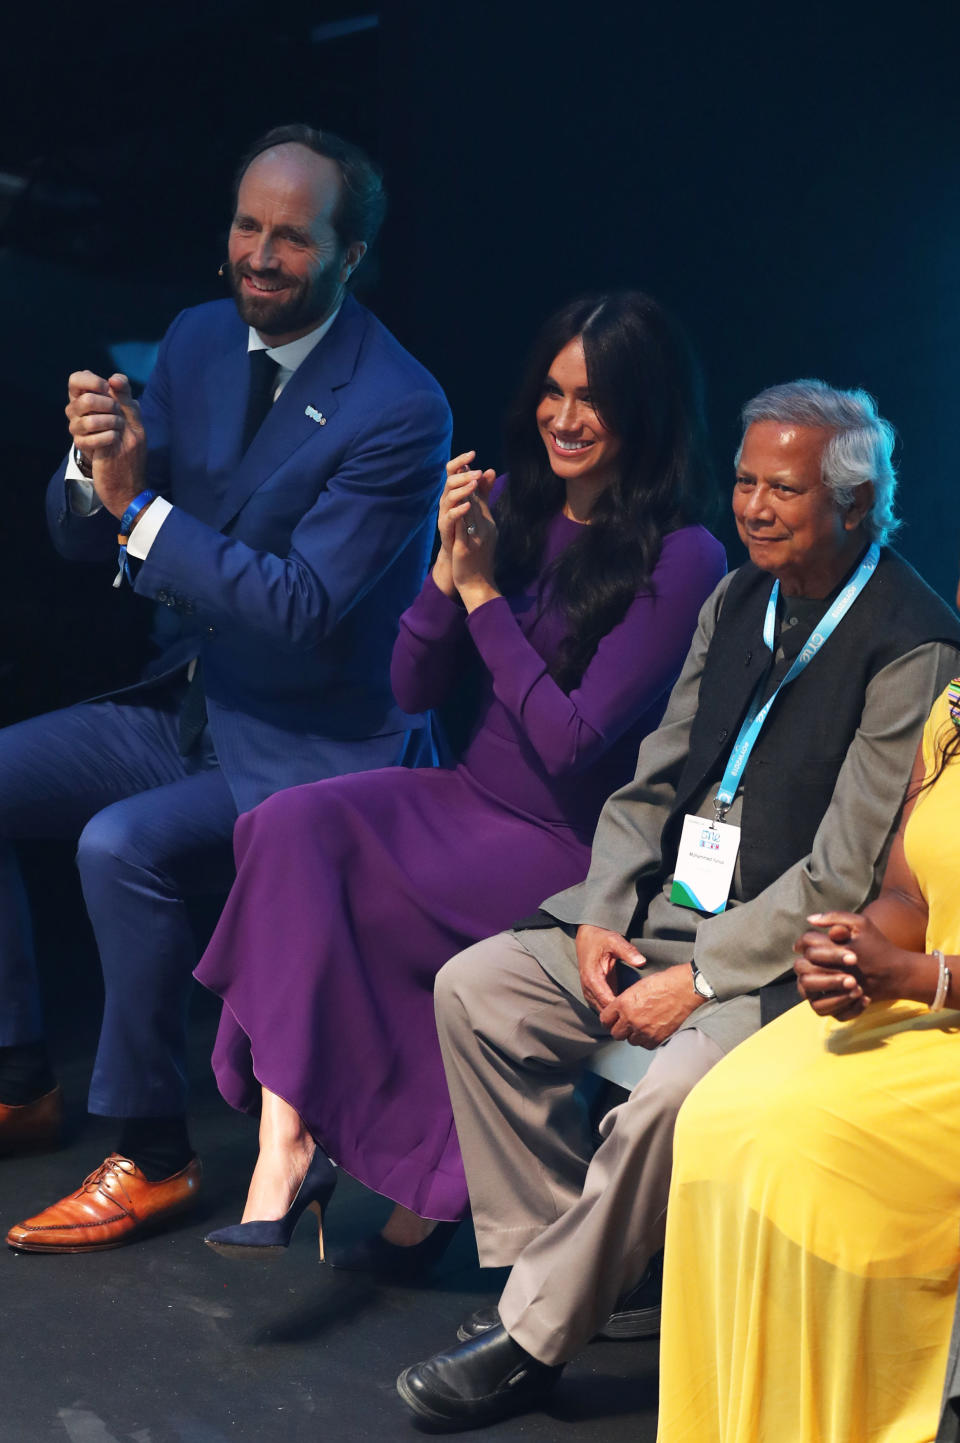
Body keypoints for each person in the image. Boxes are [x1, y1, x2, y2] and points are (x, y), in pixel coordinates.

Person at [396, 380, 960, 1431]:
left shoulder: (915, 643)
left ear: (853, 504)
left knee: (671, 1098)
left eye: (781, 490)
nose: (751, 507)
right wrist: (606, 908)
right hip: (666, 907)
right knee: (479, 992)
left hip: (781, 957)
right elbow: (653, 778)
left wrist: (696, 979)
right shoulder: (736, 595)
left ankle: (529, 1342)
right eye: (744, 480)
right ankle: (564, 1282)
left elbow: (843, 873)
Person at [192, 290, 726, 1270]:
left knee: (362, 901)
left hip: (566, 847)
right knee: (285, 829)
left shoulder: (686, 558)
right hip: (461, 801)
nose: (563, 418)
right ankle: (287, 1144)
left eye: (592, 399)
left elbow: (570, 743)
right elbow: (408, 684)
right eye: (553, 393)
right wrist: (444, 576)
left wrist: (482, 596)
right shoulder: (513, 509)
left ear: (644, 413)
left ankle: (425, 1186)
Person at [0, 124, 452, 1253]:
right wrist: (90, 463)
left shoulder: (400, 408)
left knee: (119, 846)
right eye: (248, 226)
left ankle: (153, 1152)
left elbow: (301, 606)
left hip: (312, 744)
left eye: (293, 237)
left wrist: (138, 507)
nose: (259, 254)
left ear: (354, 254)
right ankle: (19, 1074)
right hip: (192, 701)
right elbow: (82, 532)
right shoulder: (202, 337)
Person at [655, 660, 960, 1442]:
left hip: (940, 1009)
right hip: (925, 1001)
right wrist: (852, 947)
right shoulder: (953, 713)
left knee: (802, 1149)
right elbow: (911, 897)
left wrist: (914, 973)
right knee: (720, 1114)